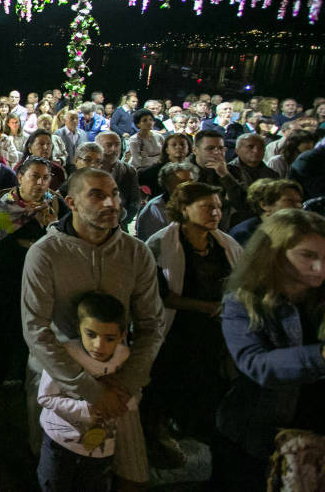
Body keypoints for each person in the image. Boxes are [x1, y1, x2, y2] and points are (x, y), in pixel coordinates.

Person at [21, 168, 165, 489]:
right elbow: (36, 330)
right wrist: (90, 391)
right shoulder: (46, 253)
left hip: (119, 382)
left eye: (114, 193)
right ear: (71, 202)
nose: (111, 202)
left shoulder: (135, 253)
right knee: (56, 470)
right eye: (97, 195)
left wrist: (125, 384)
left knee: (129, 474)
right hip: (58, 380)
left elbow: (152, 325)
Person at [216, 209, 325, 490]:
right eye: (308, 256)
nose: (320, 268)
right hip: (261, 433)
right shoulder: (243, 303)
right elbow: (257, 364)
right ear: (274, 254)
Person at [144, 182, 243, 466]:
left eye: (218, 208)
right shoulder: (162, 244)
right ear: (184, 209)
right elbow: (159, 294)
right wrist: (206, 306)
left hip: (214, 331)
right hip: (176, 330)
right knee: (168, 382)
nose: (215, 213)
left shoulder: (224, 244)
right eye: (207, 207)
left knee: (208, 384)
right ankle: (160, 437)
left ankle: (197, 432)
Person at [37, 292, 136, 492]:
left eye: (110, 338)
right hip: (59, 443)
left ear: (122, 336)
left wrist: (124, 402)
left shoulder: (124, 357)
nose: (99, 345)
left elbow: (133, 393)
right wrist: (87, 409)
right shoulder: (66, 353)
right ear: (78, 328)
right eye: (91, 335)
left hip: (100, 448)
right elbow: (45, 397)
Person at [0, 157, 65, 385]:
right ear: (20, 177)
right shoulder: (4, 201)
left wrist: (47, 227)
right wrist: (34, 243)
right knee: (4, 325)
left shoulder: (56, 205)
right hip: (8, 276)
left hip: (43, 281)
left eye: (45, 178)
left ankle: (26, 378)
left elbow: (64, 243)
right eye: (35, 176)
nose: (40, 183)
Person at [134, 161, 199, 241]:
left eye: (191, 181)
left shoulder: (197, 203)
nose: (189, 186)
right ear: (168, 184)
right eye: (182, 182)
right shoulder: (154, 209)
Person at [228, 178, 304, 246]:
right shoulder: (244, 234)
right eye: (290, 200)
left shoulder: (301, 230)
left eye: (300, 201)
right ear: (265, 205)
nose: (299, 206)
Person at [95, 131, 142, 228]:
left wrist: (124, 219)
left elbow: (135, 199)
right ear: (97, 147)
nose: (114, 149)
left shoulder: (129, 170)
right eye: (109, 145)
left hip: (120, 224)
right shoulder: (90, 170)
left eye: (117, 145)